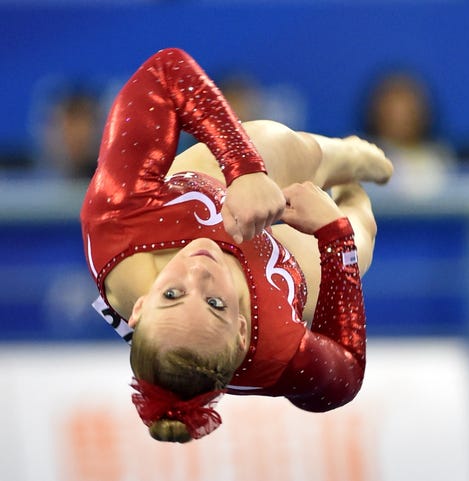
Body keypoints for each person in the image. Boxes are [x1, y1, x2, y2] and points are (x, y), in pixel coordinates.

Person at [80, 48, 392, 443]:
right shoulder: (277, 349)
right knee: (362, 237)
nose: (200, 270)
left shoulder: (116, 221)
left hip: (204, 196)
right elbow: (345, 375)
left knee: (294, 149)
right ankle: (354, 192)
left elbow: (165, 70)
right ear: (242, 332)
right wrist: (335, 234)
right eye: (215, 304)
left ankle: (349, 157)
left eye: (173, 293)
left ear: (140, 307)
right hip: (278, 275)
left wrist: (243, 170)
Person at [362, 70, 456, 198]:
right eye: (392, 110)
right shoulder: (360, 158)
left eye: (407, 110)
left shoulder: (440, 159)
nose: (400, 118)